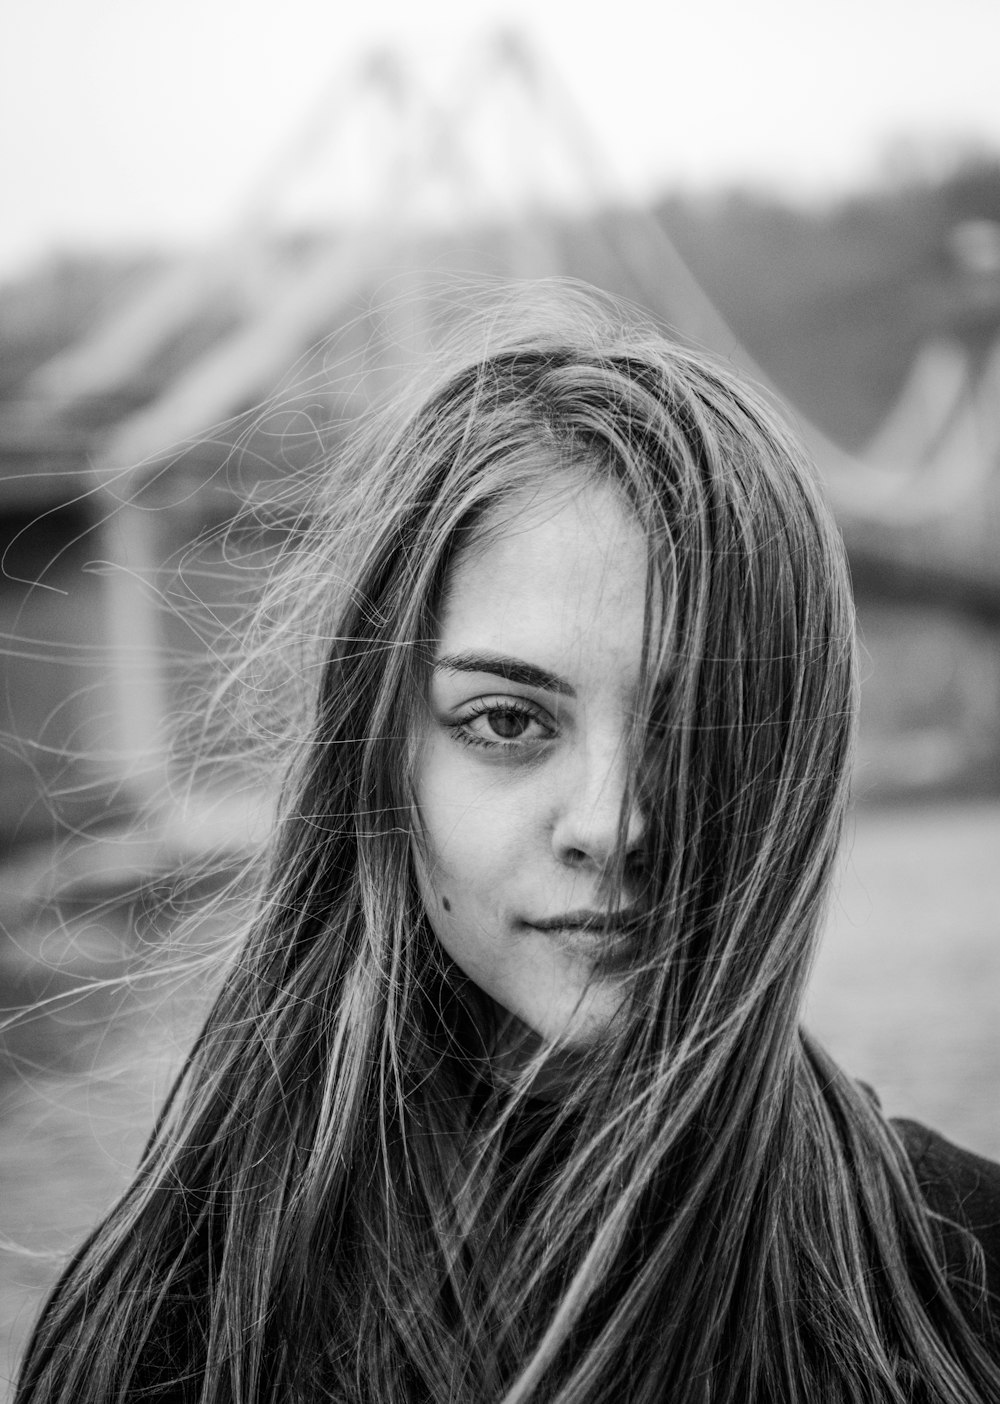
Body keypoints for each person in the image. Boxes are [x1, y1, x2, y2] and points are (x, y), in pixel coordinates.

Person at [15, 288, 1000, 1403]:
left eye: (694, 726)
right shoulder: (171, 1329)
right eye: (507, 723)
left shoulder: (969, 1280)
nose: (608, 824)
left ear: (800, 760)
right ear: (385, 758)